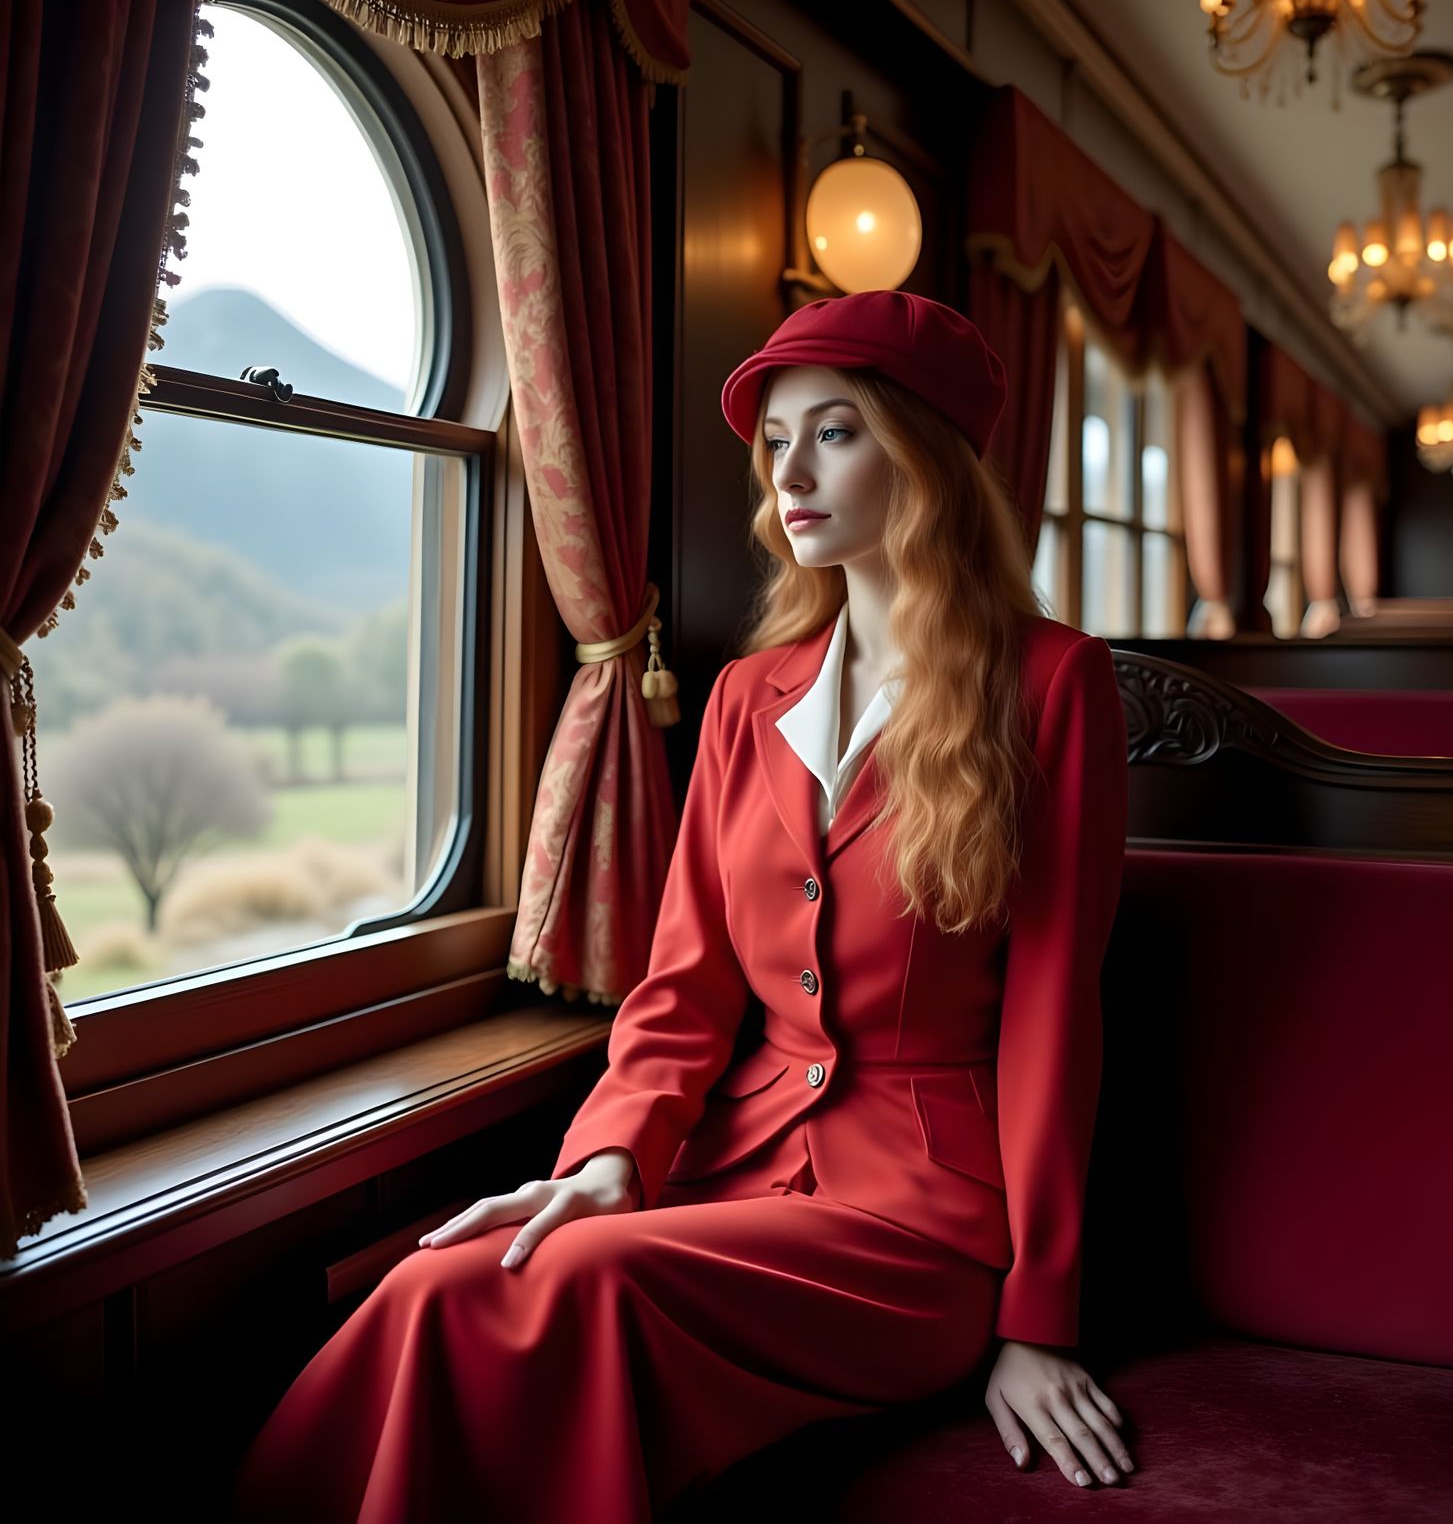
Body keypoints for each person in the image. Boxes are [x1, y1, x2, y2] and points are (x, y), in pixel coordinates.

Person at [228, 289, 1134, 1522]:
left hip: (922, 1230)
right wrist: (608, 1160)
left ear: (925, 456)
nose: (789, 473)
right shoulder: (742, 697)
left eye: (834, 431)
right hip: (724, 1170)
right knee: (434, 1280)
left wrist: (1041, 1317)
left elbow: (1050, 1020)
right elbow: (684, 987)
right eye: (775, 441)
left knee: (553, 1290)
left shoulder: (1052, 683)